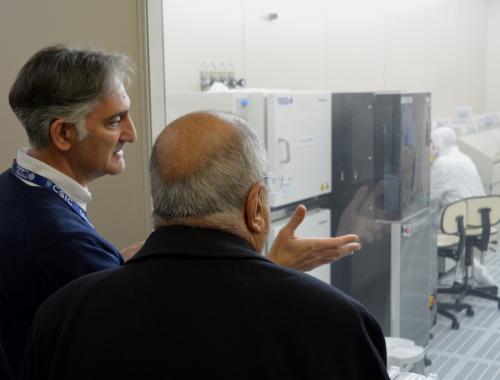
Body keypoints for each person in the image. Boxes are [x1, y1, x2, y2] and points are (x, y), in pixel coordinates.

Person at [0, 45, 361, 380]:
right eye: (115, 121)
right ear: (63, 134)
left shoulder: (15, 189)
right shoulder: (61, 241)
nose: (132, 134)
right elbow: (166, 345)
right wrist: (273, 272)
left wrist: (123, 260)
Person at [430, 126, 495, 286]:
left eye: (432, 143)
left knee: (424, 224)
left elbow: (430, 196)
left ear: (438, 144)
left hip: (460, 220)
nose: (432, 147)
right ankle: (479, 275)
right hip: (480, 218)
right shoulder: (465, 158)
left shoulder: (442, 163)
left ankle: (428, 280)